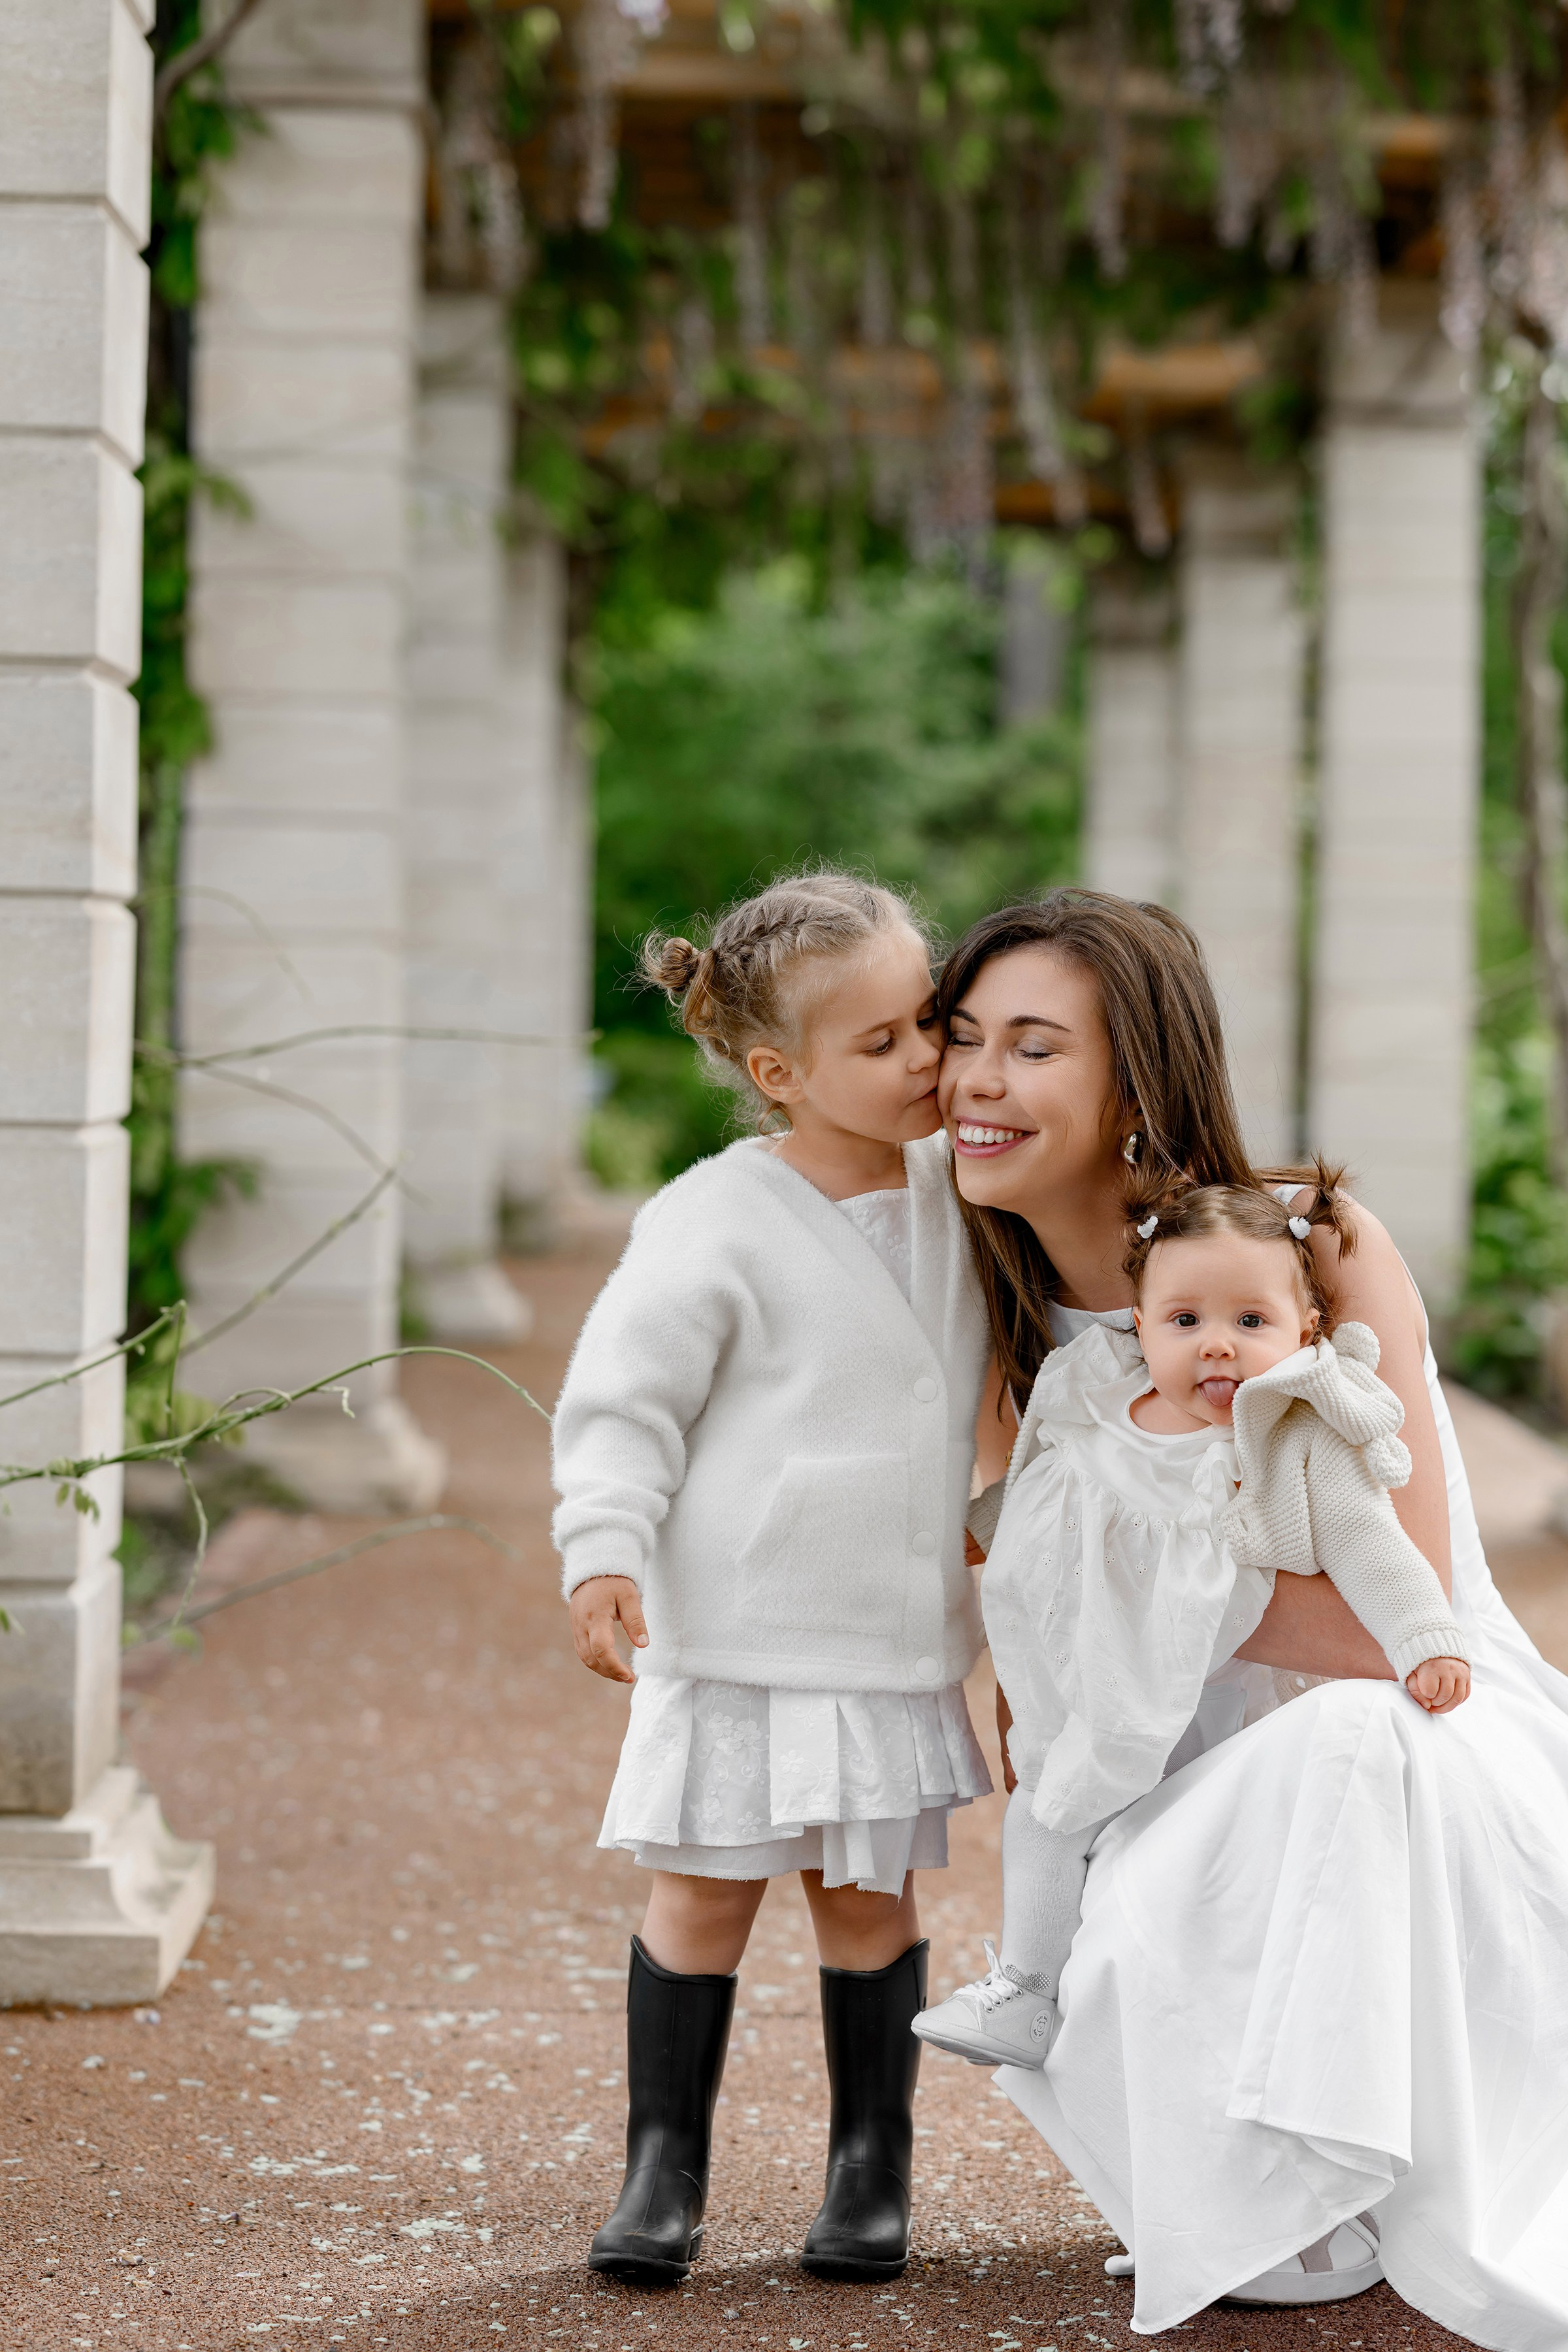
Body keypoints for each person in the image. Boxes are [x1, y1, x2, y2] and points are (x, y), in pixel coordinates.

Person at [929, 887, 1568, 2341]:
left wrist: (1129, 1602)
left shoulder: (1311, 1251)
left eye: (1033, 1048)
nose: (977, 1080)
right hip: (1152, 1772)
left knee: (1341, 1742)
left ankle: (1334, 2151)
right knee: (1107, 1921)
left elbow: (1390, 1616)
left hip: (1413, 1736)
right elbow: (1030, 1635)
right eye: (963, 1039)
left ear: (1137, 1079)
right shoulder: (1001, 1305)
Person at [552, 872, 992, 2289]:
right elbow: (626, 1397)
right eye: (881, 1045)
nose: (926, 1059)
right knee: (701, 1894)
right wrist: (603, 1544)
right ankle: (662, 2166)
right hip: (740, 1626)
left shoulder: (969, 1200)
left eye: (930, 1021)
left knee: (867, 1905)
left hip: (885, 1632)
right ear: (776, 1072)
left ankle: (872, 2169)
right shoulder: (715, 1217)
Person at [913, 1175, 1469, 2072]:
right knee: (1051, 1809)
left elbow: (1374, 1546)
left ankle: (1253, 2053)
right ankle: (1027, 1986)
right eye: (1185, 1322)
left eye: (1251, 1323)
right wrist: (975, 1538)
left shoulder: (1291, 1439)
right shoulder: (1099, 1403)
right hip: (1114, 1684)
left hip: (1221, 1713)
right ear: (1138, 1322)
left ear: (1306, 1333)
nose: (1218, 1346)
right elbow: (1043, 1501)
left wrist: (1425, 1638)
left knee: (1213, 1881)